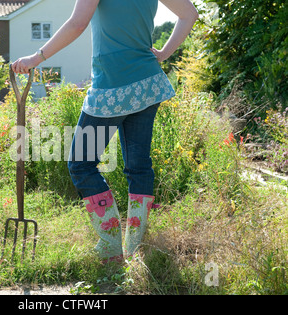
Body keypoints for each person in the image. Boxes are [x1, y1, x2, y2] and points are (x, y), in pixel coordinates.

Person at [11, 0, 198, 263]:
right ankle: (134, 247)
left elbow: (77, 24)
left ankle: (111, 246)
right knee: (139, 167)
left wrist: (36, 58)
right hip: (147, 82)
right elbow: (189, 14)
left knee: (81, 163)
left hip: (111, 85)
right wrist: (164, 53)